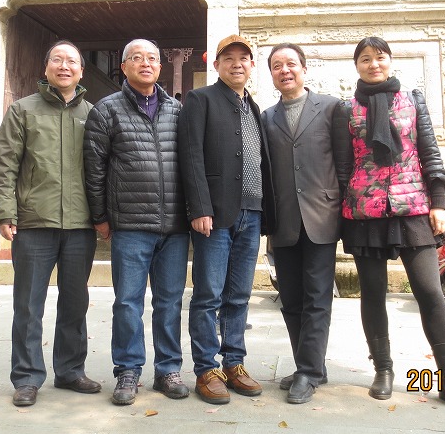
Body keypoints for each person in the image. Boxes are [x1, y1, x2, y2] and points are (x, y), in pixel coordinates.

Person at [335, 36, 445, 412]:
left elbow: (430, 152)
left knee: (430, 291)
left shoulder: (412, 99)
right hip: (365, 210)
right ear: (356, 65)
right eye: (365, 59)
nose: (373, 64)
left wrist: (438, 202)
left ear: (390, 60)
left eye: (379, 57)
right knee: (372, 293)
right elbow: (343, 164)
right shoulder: (347, 108)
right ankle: (383, 370)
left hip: (413, 206)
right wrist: (342, 210)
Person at [0, 40, 101, 407]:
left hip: (80, 224)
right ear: (46, 68)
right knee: (28, 305)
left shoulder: (93, 114)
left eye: (72, 61)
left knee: (75, 303)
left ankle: (70, 371)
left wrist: (103, 217)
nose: (64, 66)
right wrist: (4, 212)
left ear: (81, 71)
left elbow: (103, 169)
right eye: (57, 59)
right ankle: (26, 377)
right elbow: (4, 164)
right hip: (33, 222)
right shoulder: (23, 110)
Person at [83, 39, 190, 405]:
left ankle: (168, 370)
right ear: (124, 66)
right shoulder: (106, 110)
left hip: (174, 227)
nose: (146, 63)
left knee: (170, 302)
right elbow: (94, 169)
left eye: (153, 58)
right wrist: (100, 217)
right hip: (130, 225)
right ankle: (128, 371)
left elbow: (191, 164)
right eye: (137, 58)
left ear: (160, 67)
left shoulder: (177, 110)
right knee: (128, 302)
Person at [178, 34, 275, 405]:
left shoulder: (253, 106)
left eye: (243, 58)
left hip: (252, 212)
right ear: (216, 65)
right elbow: (191, 155)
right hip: (215, 215)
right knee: (208, 294)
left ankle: (234, 363)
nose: (237, 64)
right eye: (229, 58)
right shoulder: (200, 99)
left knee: (239, 295)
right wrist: (200, 207)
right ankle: (207, 369)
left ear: (251, 66)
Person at [261, 43, 343, 404]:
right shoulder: (267, 117)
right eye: (277, 66)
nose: (285, 70)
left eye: (291, 64)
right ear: (271, 74)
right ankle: (309, 366)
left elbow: (343, 162)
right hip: (284, 221)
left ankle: (308, 372)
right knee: (291, 298)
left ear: (304, 69)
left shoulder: (331, 108)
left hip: (322, 215)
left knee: (317, 297)